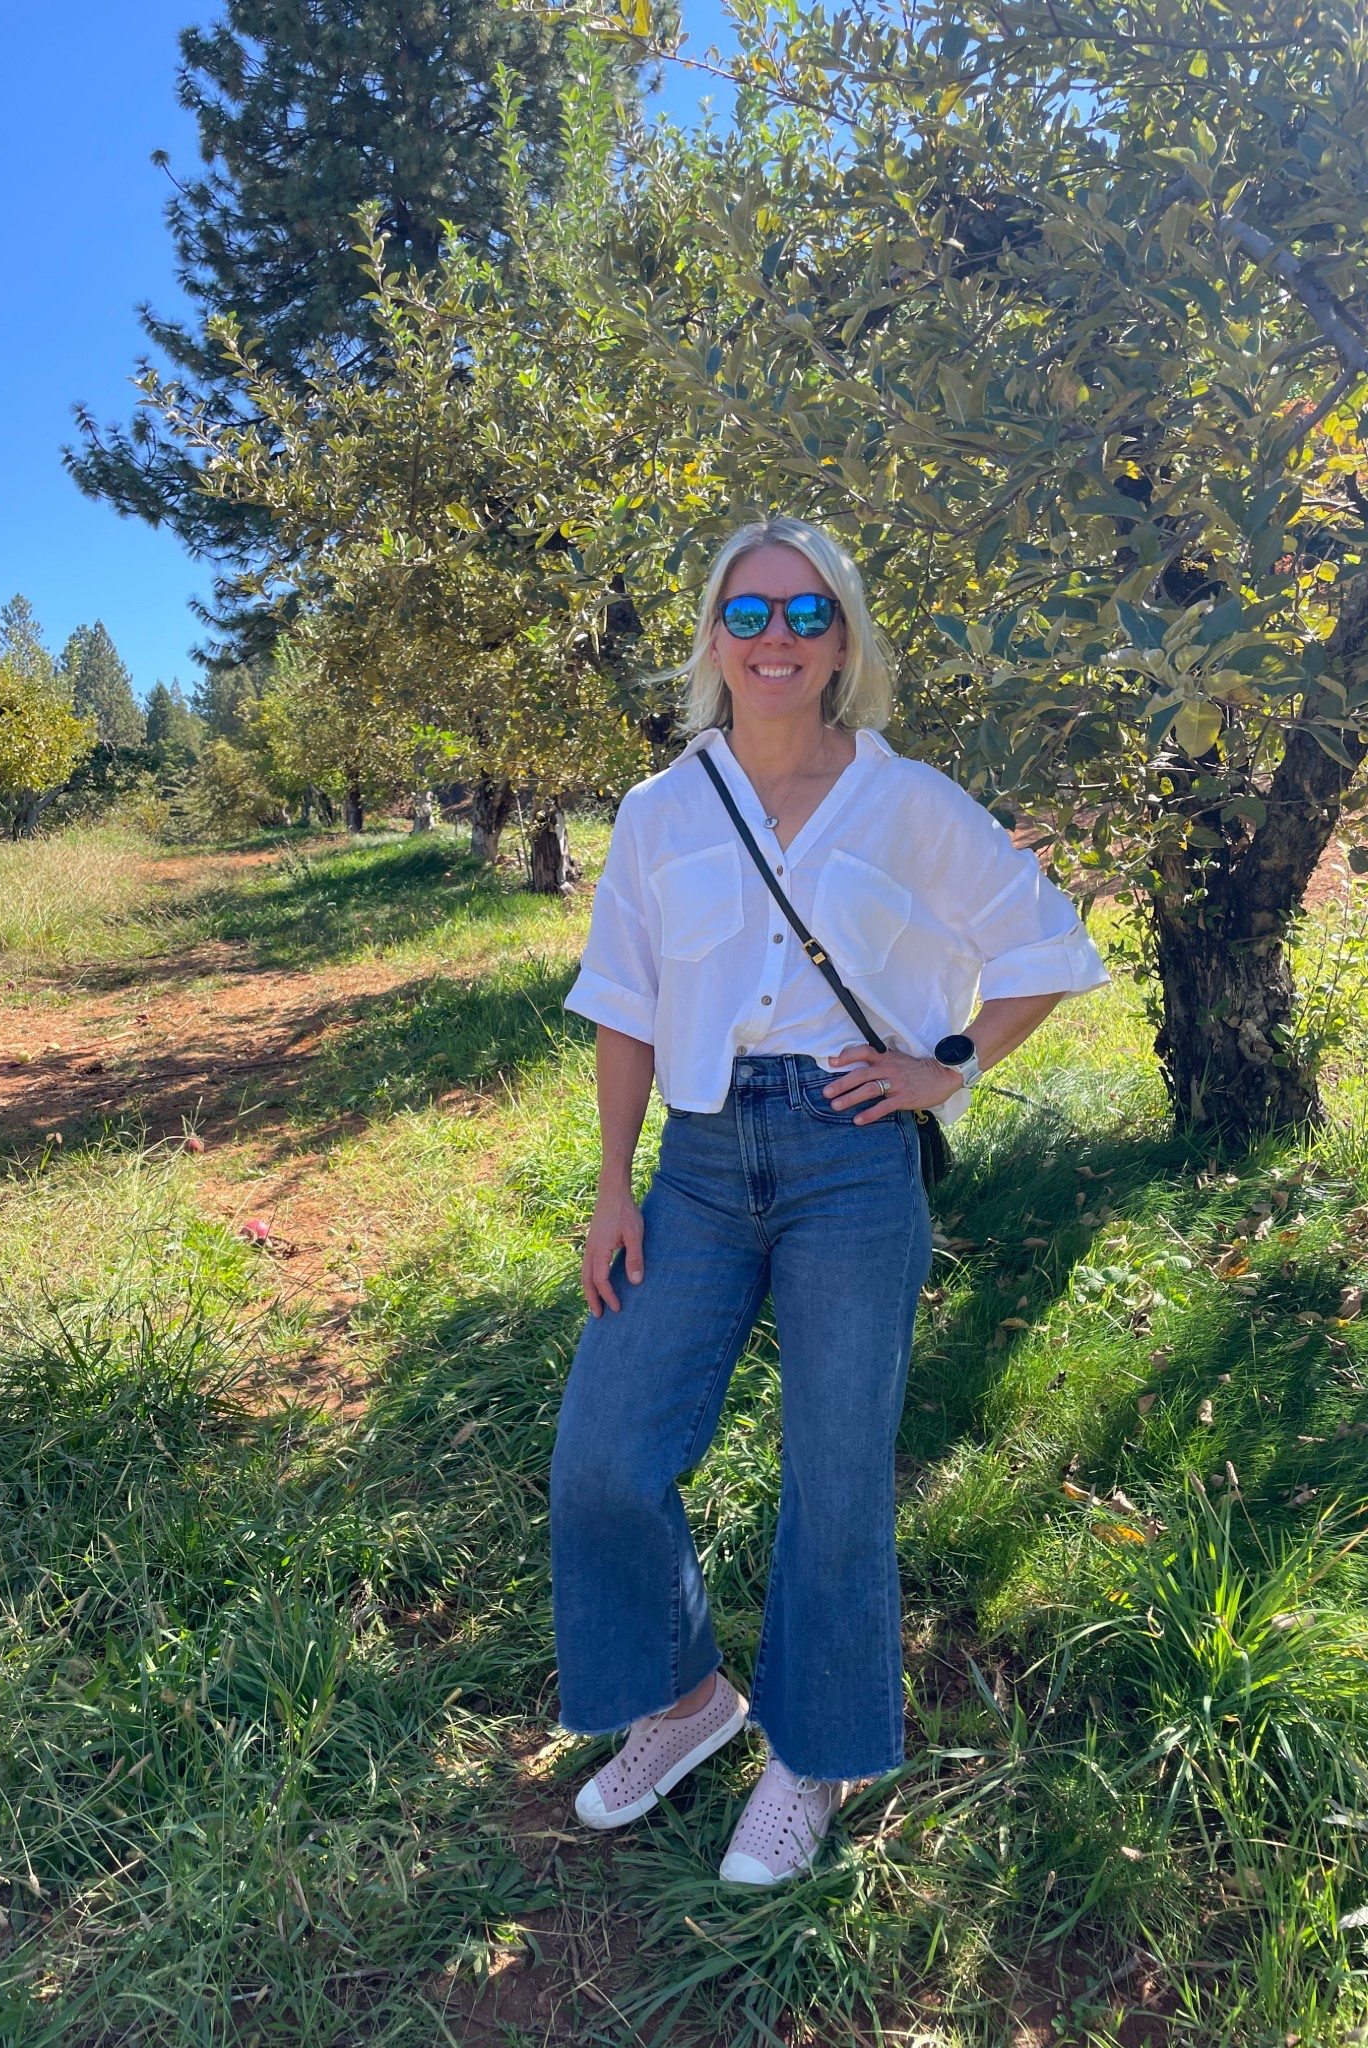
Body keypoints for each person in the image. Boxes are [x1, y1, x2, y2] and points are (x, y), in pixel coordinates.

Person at [549, 515, 1109, 1886]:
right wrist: (612, 1190)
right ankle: (687, 1706)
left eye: (808, 616)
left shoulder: (908, 799)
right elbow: (626, 1007)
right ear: (712, 641)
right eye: (749, 616)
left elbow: (1048, 942)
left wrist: (950, 1067)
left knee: (837, 1474)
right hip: (694, 1155)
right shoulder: (660, 809)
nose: (778, 640)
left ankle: (819, 1754)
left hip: (851, 1152)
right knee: (607, 1457)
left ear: (845, 639)